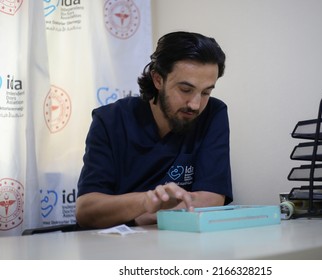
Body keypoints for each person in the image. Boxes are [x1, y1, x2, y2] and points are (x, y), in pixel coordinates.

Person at [76, 31, 233, 229]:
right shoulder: (111, 120)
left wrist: (141, 217)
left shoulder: (213, 114)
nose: (195, 104)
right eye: (185, 90)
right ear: (158, 80)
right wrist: (145, 202)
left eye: (206, 92)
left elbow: (211, 200)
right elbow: (86, 210)